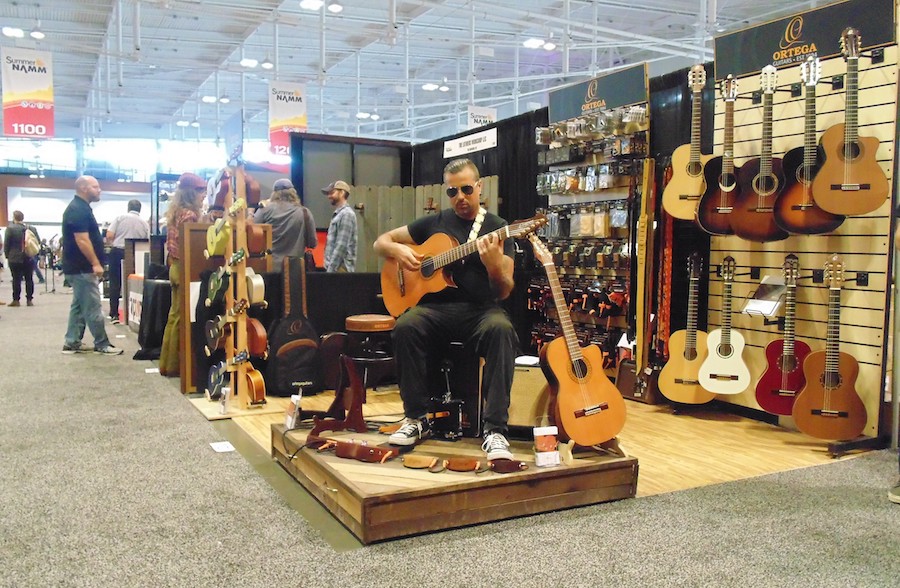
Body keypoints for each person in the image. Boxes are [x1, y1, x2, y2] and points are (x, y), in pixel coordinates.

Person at [373, 158, 519, 461]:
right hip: (435, 311)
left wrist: (494, 265)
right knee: (406, 325)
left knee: (502, 329)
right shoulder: (433, 224)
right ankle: (416, 419)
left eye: (466, 189)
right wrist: (397, 249)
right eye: (452, 192)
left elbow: (504, 290)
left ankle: (495, 429)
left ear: (479, 187)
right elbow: (380, 243)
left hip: (479, 310)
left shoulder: (498, 228)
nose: (460, 197)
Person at [61, 176, 123, 355]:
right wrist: (95, 263)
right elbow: (82, 240)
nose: (99, 190)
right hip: (82, 267)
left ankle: (72, 342)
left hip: (78, 267)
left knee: (79, 307)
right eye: (95, 187)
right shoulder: (77, 210)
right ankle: (102, 344)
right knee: (93, 307)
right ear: (84, 188)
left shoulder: (81, 208)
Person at [159, 173, 206, 377]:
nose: (203, 195)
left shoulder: (175, 212)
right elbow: (190, 246)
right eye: (201, 191)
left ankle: (167, 364)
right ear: (191, 193)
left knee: (174, 315)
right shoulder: (190, 215)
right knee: (180, 317)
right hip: (183, 267)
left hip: (174, 266)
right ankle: (175, 366)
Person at [251, 178, 317, 271]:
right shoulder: (305, 212)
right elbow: (312, 243)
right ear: (293, 193)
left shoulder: (265, 210)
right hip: (294, 270)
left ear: (274, 193)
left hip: (269, 267)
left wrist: (251, 212)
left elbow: (251, 233)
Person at [105, 199, 150, 324]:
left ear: (128, 207)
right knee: (133, 282)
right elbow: (147, 239)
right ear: (140, 209)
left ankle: (114, 313)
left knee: (115, 283)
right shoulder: (144, 223)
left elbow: (109, 235)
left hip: (118, 251)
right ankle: (133, 313)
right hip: (135, 253)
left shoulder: (120, 218)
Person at [3, 210, 38, 307]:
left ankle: (16, 300)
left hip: (14, 258)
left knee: (16, 279)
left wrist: (7, 255)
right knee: (29, 279)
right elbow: (36, 242)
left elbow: (7, 244)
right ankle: (29, 300)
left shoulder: (10, 229)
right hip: (28, 257)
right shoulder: (31, 228)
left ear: (14, 218)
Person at [322, 180, 357, 272]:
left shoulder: (346, 214)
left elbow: (341, 246)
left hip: (340, 269)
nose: (329, 196)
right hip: (336, 268)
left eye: (332, 193)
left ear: (342, 193)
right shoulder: (340, 214)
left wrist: (331, 270)